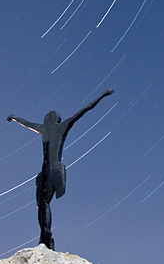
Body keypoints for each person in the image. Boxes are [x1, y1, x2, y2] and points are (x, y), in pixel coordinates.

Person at [7, 89, 114, 249]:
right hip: (46, 170)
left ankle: (47, 236)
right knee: (42, 205)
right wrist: (15, 118)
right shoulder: (46, 128)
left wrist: (102, 96)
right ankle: (45, 236)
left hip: (52, 169)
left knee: (44, 204)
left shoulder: (57, 127)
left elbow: (83, 111)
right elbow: (83, 110)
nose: (49, 117)